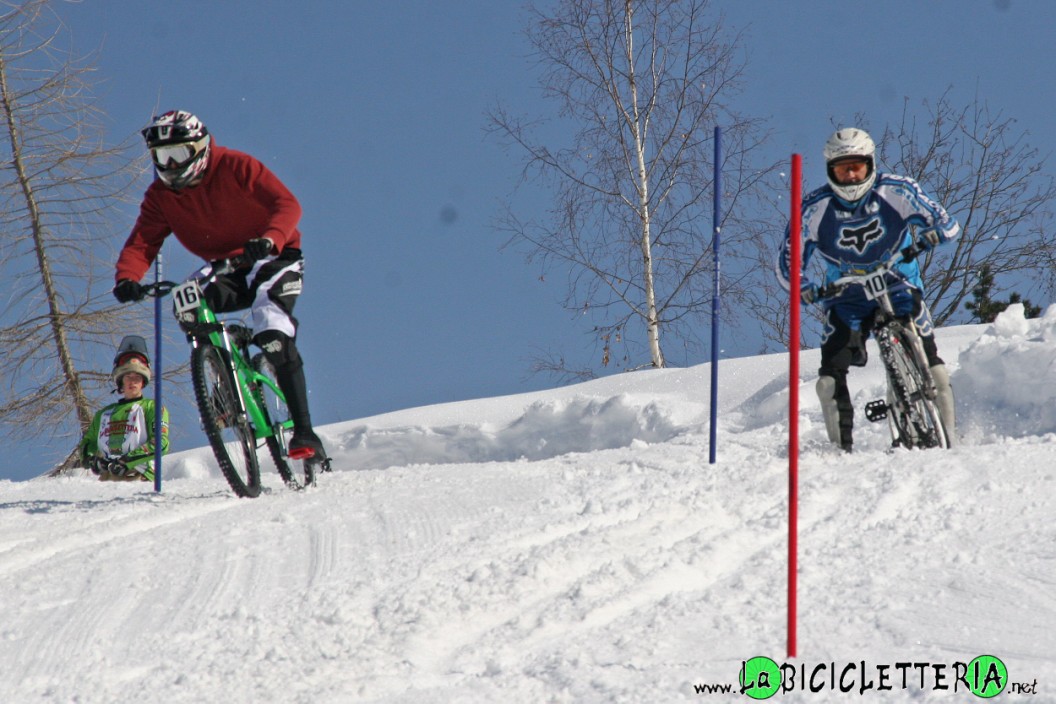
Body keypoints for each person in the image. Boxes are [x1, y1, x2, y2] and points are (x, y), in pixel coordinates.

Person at [112, 109, 326, 460]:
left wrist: (271, 238)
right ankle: (225, 383)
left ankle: (304, 432)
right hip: (225, 266)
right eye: (161, 157)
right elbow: (142, 242)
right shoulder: (160, 196)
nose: (170, 165)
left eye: (178, 155)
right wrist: (128, 278)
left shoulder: (236, 166)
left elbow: (287, 204)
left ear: (200, 148)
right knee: (187, 301)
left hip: (273, 254)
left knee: (271, 331)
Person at [777, 127, 959, 452]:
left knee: (936, 367)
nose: (850, 175)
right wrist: (802, 287)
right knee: (828, 379)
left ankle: (952, 442)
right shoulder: (813, 209)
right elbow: (788, 261)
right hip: (847, 292)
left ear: (870, 164)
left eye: (857, 166)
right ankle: (840, 451)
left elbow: (945, 221)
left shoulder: (897, 191)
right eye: (841, 168)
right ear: (829, 169)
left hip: (898, 280)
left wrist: (935, 234)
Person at [79, 341, 169, 481]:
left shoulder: (152, 407)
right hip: (107, 479)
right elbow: (87, 443)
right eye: (128, 377)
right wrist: (92, 459)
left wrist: (127, 460)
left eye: (137, 377)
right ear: (121, 380)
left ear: (143, 382)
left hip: (139, 476)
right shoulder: (103, 415)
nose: (132, 381)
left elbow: (161, 443)